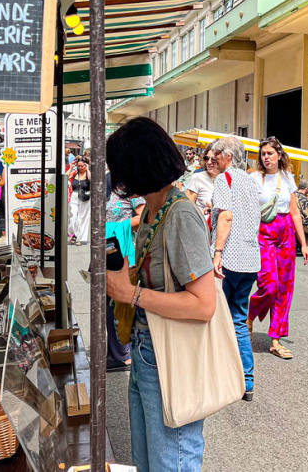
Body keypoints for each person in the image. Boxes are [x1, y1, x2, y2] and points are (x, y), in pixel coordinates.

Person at [105, 117, 216, 472]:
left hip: (169, 352)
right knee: (149, 461)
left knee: (171, 461)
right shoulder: (154, 210)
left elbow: (204, 304)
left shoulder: (181, 214)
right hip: (146, 346)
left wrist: (130, 293)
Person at [247, 137, 308, 360]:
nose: (266, 157)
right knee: (269, 284)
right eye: (263, 153)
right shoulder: (254, 178)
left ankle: (275, 339)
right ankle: (250, 313)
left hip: (285, 232)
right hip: (263, 231)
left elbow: (294, 212)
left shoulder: (288, 178)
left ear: (279, 155)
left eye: (270, 153)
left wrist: (304, 243)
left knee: (284, 286)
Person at [208, 136, 261, 400]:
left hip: (229, 258)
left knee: (215, 317)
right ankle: (246, 381)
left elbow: (226, 216)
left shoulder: (223, 180)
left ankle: (219, 376)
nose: (212, 159)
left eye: (215, 154)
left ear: (228, 156)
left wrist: (217, 253)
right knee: (239, 319)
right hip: (250, 259)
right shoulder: (251, 181)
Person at [105, 190, 145, 372]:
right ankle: (116, 352)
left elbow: (144, 215)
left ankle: (123, 355)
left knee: (118, 301)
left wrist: (119, 226)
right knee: (109, 301)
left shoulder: (132, 190)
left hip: (124, 254)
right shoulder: (115, 188)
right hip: (112, 250)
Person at [185, 144, 219, 221]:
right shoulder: (198, 177)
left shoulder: (227, 180)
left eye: (213, 159)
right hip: (202, 228)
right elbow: (187, 208)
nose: (209, 162)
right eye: (207, 158)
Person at [68, 156, 91, 245]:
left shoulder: (88, 173)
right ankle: (74, 234)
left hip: (85, 196)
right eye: (79, 166)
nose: (80, 168)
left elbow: (92, 179)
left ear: (85, 165)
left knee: (83, 218)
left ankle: (80, 238)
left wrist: (88, 169)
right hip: (74, 196)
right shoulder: (74, 173)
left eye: (82, 166)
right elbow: (65, 176)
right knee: (72, 216)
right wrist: (70, 167)